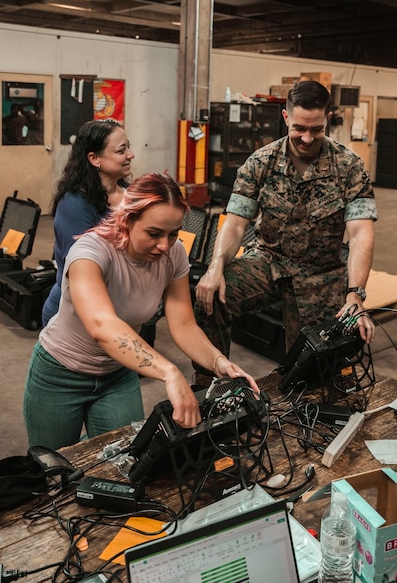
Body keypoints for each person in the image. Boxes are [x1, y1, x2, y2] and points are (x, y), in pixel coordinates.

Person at [24, 173, 259, 450]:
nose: (164, 245)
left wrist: (219, 362)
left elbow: (183, 324)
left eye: (173, 234)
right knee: (54, 469)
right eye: (154, 233)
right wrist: (170, 372)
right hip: (60, 373)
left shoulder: (174, 254)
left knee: (125, 458)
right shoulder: (91, 252)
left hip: (117, 375)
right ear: (127, 220)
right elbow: (102, 325)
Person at [193, 79, 377, 384]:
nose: (306, 138)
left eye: (316, 129)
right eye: (299, 128)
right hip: (268, 261)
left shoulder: (349, 166)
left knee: (314, 370)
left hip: (321, 275)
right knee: (211, 297)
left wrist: (356, 293)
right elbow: (236, 221)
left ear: (328, 119)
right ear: (286, 118)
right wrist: (215, 268)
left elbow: (360, 233)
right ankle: (212, 385)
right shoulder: (260, 162)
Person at [41, 118, 134, 326]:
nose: (130, 155)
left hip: (117, 307)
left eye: (129, 147)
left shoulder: (131, 195)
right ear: (94, 158)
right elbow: (81, 272)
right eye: (121, 150)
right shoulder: (74, 204)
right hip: (73, 315)